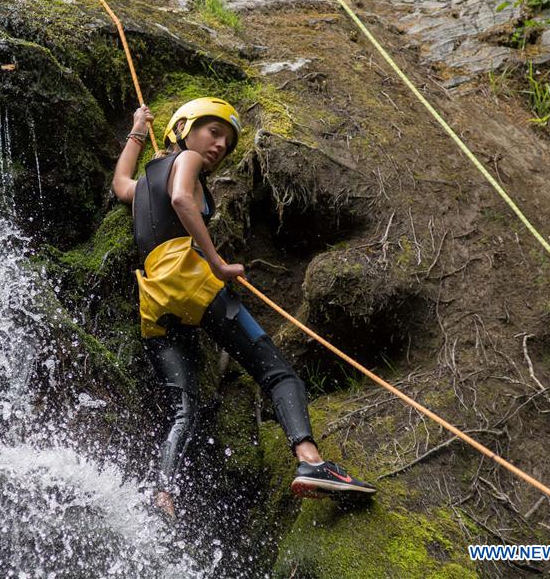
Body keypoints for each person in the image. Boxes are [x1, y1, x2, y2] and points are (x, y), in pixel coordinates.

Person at [111, 97, 376, 518]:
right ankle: (310, 459)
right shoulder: (188, 161)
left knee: (184, 408)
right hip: (192, 281)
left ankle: (163, 493)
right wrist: (216, 261)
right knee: (279, 373)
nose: (219, 145)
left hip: (154, 299)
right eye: (212, 131)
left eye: (228, 142)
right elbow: (181, 199)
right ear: (183, 129)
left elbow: (120, 184)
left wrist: (137, 131)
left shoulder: (146, 179)